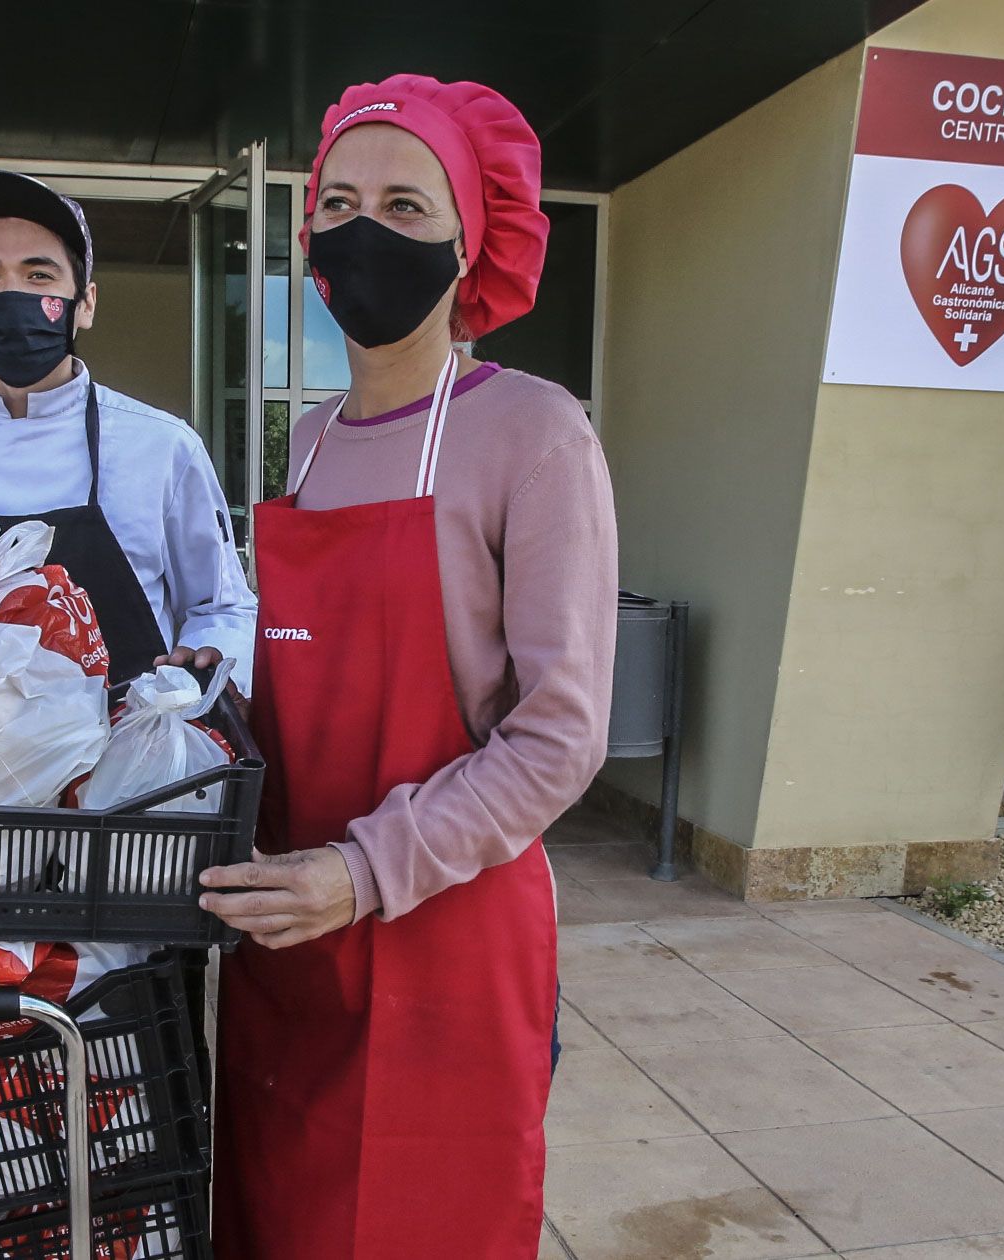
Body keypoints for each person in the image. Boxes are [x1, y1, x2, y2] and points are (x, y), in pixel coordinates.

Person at [204, 75, 618, 1259]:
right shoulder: (310, 440)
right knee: (281, 1215)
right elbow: (301, 676)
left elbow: (558, 734)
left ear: (466, 240)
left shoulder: (531, 430)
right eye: (336, 201)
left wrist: (362, 872)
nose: (362, 229)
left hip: (441, 932)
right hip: (291, 927)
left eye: (403, 201)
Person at [0, 170, 255, 686]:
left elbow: (222, 608)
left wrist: (202, 666)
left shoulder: (162, 448)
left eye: (38, 275)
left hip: (123, 754)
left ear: (85, 303)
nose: (11, 295)